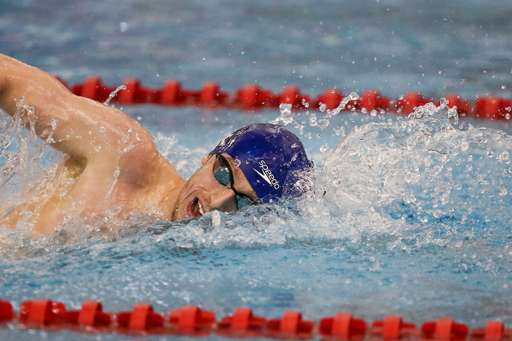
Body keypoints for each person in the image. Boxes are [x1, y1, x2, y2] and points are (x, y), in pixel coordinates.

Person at [0, 53, 313, 235]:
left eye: (243, 203)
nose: (218, 203)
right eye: (224, 175)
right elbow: (10, 82)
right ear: (209, 157)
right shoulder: (121, 153)